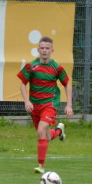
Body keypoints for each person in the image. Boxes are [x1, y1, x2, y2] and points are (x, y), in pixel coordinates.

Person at [17, 36, 72, 173]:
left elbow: (67, 84)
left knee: (41, 130)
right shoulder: (32, 66)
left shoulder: (57, 68)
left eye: (47, 48)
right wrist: (27, 101)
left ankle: (41, 166)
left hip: (50, 104)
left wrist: (69, 105)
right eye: (42, 48)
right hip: (35, 106)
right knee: (45, 137)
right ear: (38, 50)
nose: (44, 50)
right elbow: (22, 84)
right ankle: (58, 130)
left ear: (52, 50)